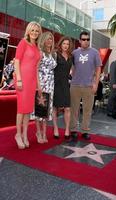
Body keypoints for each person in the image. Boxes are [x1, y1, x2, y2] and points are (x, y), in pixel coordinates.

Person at [14, 21, 42, 149]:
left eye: (37, 31)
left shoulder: (37, 48)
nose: (35, 33)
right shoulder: (23, 43)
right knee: (21, 109)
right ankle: (18, 134)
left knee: (27, 110)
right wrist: (19, 79)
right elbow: (17, 61)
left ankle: (25, 135)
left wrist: (39, 85)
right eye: (33, 30)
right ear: (28, 31)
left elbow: (36, 68)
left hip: (31, 82)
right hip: (22, 80)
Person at [70, 31, 102, 139]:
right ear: (79, 40)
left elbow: (98, 69)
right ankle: (73, 129)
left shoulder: (95, 52)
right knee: (74, 109)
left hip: (89, 86)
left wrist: (96, 84)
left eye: (88, 39)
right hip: (75, 85)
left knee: (87, 110)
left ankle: (85, 130)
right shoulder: (74, 53)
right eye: (83, 39)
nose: (86, 41)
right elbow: (73, 67)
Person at [35, 32, 57, 143]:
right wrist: (38, 85)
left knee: (47, 110)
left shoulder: (52, 54)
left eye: (51, 39)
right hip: (42, 84)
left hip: (50, 85)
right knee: (40, 109)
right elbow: (36, 69)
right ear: (43, 40)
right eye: (48, 39)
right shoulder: (40, 53)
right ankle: (38, 133)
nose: (50, 41)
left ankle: (44, 134)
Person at [53, 36, 73, 139]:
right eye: (64, 43)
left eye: (67, 44)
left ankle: (66, 130)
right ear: (60, 44)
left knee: (67, 108)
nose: (65, 46)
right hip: (56, 83)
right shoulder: (55, 54)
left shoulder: (70, 56)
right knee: (55, 107)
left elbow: (72, 69)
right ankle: (55, 129)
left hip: (65, 84)